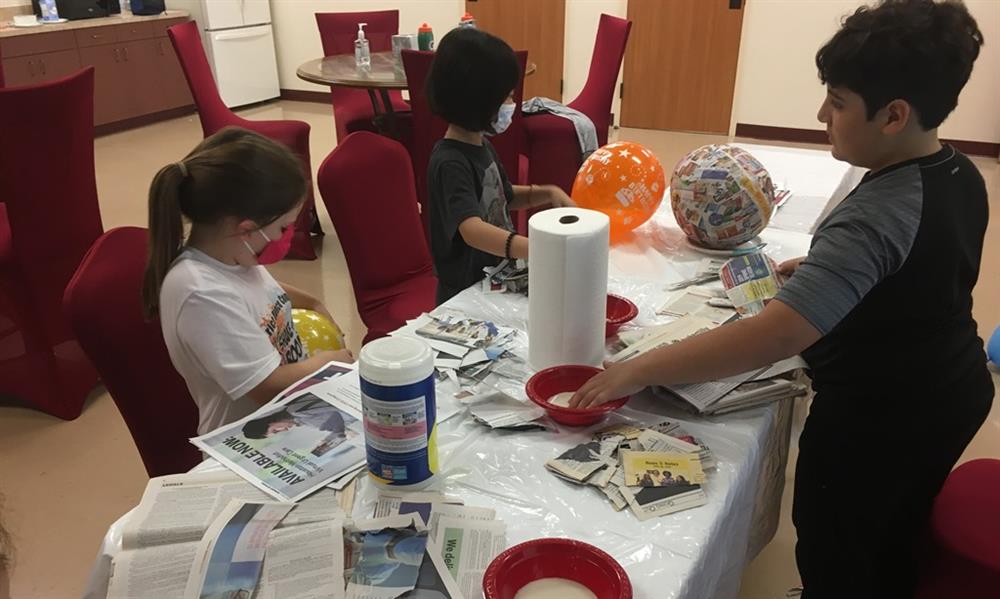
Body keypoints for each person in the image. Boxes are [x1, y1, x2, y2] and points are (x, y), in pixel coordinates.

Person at [571, 1, 991, 596]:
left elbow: (776, 334)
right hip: (953, 385)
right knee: (892, 530)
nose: (822, 113)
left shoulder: (874, 214)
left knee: (837, 541)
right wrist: (835, 273)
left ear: (894, 115)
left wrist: (635, 370)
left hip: (883, 415)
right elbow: (928, 267)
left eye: (838, 102)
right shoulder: (958, 171)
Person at [142, 128, 354, 436]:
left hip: (291, 410)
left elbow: (262, 292)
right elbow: (265, 386)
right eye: (283, 228)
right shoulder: (200, 292)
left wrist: (313, 302)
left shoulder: (233, 255)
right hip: (251, 435)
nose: (285, 237)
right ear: (246, 228)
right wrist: (330, 362)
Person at [425, 27, 575, 304]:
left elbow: (502, 197)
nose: (512, 104)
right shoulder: (450, 162)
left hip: (494, 280)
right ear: (478, 100)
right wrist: (534, 248)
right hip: (464, 295)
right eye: (506, 97)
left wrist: (547, 192)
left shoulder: (482, 146)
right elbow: (471, 229)